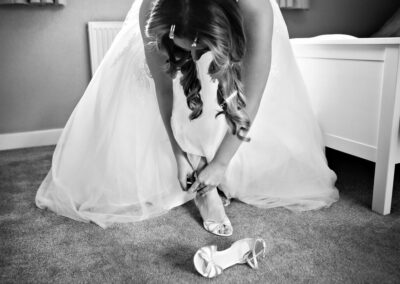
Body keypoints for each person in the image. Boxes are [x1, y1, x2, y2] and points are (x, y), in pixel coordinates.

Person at [35, 0, 339, 233]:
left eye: (200, 49)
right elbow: (165, 91)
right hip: (176, 42)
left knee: (219, 89)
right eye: (186, 49)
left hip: (235, 35)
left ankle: (214, 174)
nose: (195, 59)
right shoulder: (152, 10)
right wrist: (178, 153)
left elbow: (250, 98)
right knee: (184, 89)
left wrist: (221, 163)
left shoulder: (254, 9)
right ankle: (204, 185)